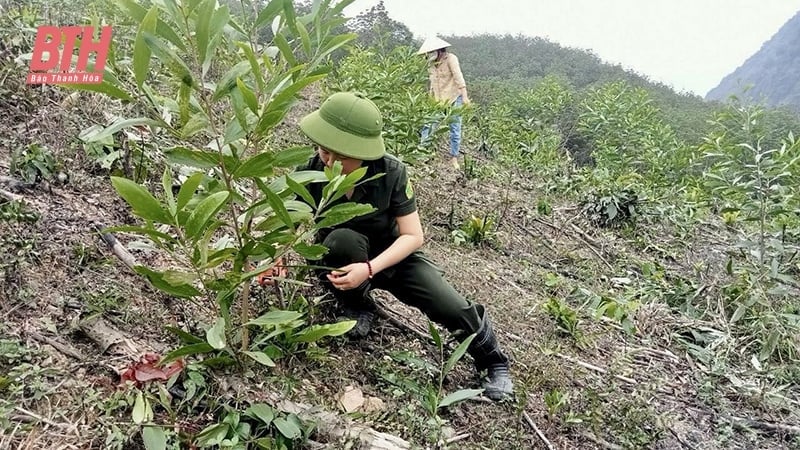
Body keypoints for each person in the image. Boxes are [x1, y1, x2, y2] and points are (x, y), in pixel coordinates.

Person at [296, 91, 513, 400]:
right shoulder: (312, 168)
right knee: (341, 240)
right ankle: (357, 304)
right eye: (323, 150)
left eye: (339, 155)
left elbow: (413, 235)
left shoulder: (391, 172)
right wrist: (273, 259)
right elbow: (286, 220)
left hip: (391, 254)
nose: (327, 160)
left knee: (448, 303)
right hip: (341, 255)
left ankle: (494, 362)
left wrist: (370, 268)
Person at [417, 36, 470, 169]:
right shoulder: (430, 64)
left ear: (439, 50)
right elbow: (432, 84)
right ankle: (422, 153)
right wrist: (429, 99)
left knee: (455, 128)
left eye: (431, 52)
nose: (428, 55)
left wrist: (465, 97)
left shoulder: (451, 59)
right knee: (428, 125)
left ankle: (454, 158)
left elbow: (458, 77)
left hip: (453, 96)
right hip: (437, 100)